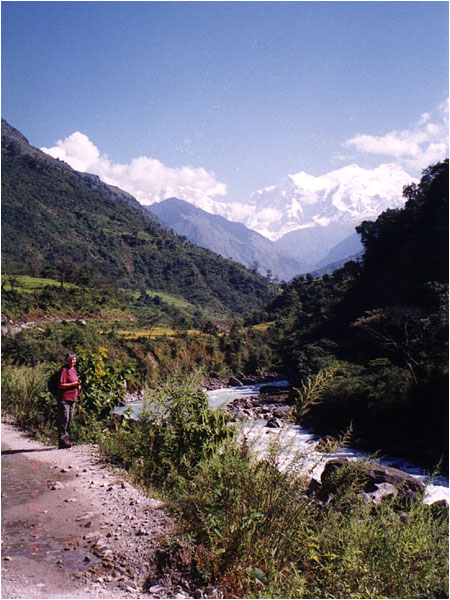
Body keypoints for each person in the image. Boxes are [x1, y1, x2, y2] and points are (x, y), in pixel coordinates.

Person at [57, 352, 82, 449]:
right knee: (64, 419)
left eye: (74, 359)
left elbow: (75, 381)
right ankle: (62, 441)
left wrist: (78, 385)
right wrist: (74, 384)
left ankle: (66, 440)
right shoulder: (64, 370)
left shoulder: (74, 370)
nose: (73, 361)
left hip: (73, 398)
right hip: (64, 398)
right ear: (67, 360)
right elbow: (61, 385)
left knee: (69, 419)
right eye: (71, 359)